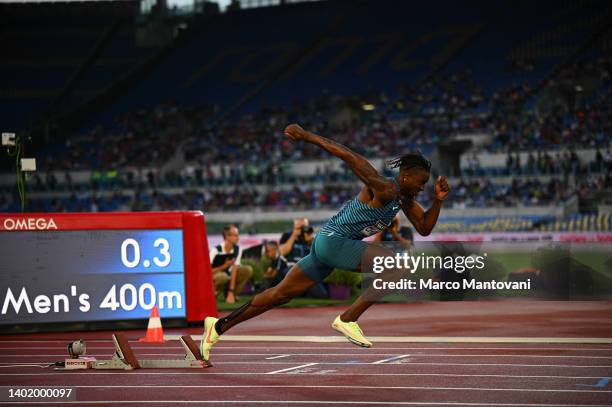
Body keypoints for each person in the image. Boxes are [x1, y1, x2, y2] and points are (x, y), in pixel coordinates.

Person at [201, 124, 450, 361]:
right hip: (333, 243)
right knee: (396, 266)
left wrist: (438, 200)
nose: (423, 187)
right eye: (421, 181)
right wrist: (307, 135)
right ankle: (347, 319)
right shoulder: (384, 188)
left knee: (279, 295)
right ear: (405, 176)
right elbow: (349, 156)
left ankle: (218, 327)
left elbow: (424, 228)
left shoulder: (403, 200)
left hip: (327, 246)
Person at [279, 218, 328, 298]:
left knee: (322, 294)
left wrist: (311, 241)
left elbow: (320, 255)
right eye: (300, 227)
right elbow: (282, 252)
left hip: (308, 269)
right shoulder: (287, 235)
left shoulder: (310, 235)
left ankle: (302, 292)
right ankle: (301, 291)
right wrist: (294, 235)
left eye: (304, 226)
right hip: (291, 268)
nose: (303, 229)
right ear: (294, 227)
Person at [209, 225, 253, 304]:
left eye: (238, 235)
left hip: (229, 276)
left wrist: (231, 291)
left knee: (247, 270)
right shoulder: (215, 251)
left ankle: (231, 295)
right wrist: (224, 266)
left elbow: (235, 269)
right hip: (215, 277)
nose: (238, 238)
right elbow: (207, 273)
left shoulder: (238, 249)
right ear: (227, 237)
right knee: (222, 276)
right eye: (235, 235)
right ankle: (212, 294)